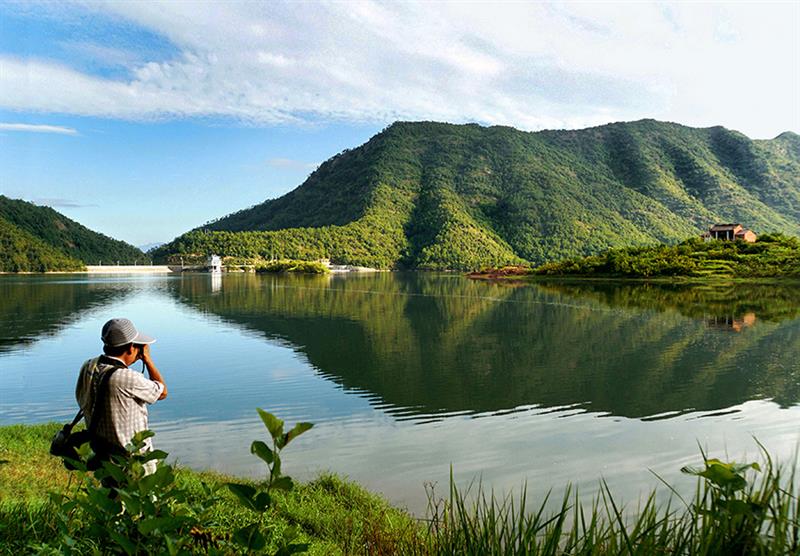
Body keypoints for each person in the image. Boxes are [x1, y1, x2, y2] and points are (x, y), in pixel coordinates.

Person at [75, 318, 168, 474]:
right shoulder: (127, 378)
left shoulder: (89, 366)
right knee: (141, 496)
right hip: (131, 459)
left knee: (108, 495)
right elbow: (162, 392)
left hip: (102, 453)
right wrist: (148, 360)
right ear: (131, 348)